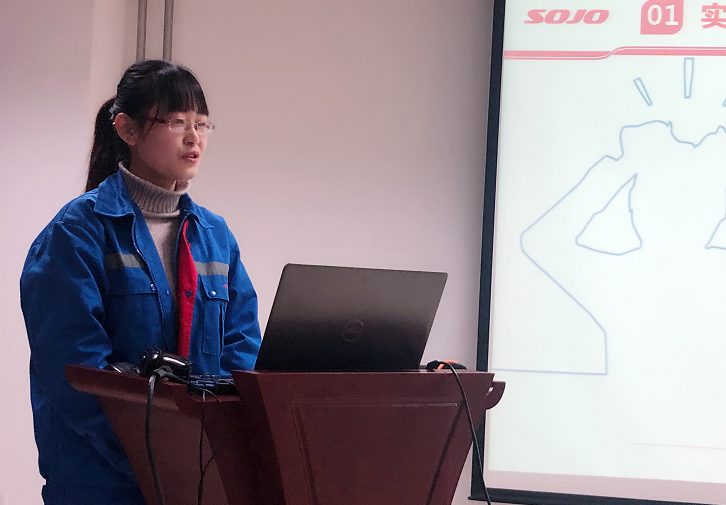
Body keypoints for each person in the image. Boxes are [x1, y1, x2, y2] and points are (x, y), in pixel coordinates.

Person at [19, 59, 261, 505]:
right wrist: (156, 457)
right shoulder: (77, 232)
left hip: (196, 481)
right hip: (103, 483)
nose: (194, 137)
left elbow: (241, 351)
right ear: (127, 130)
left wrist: (212, 457)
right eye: (176, 121)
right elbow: (74, 373)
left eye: (201, 123)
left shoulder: (215, 236)